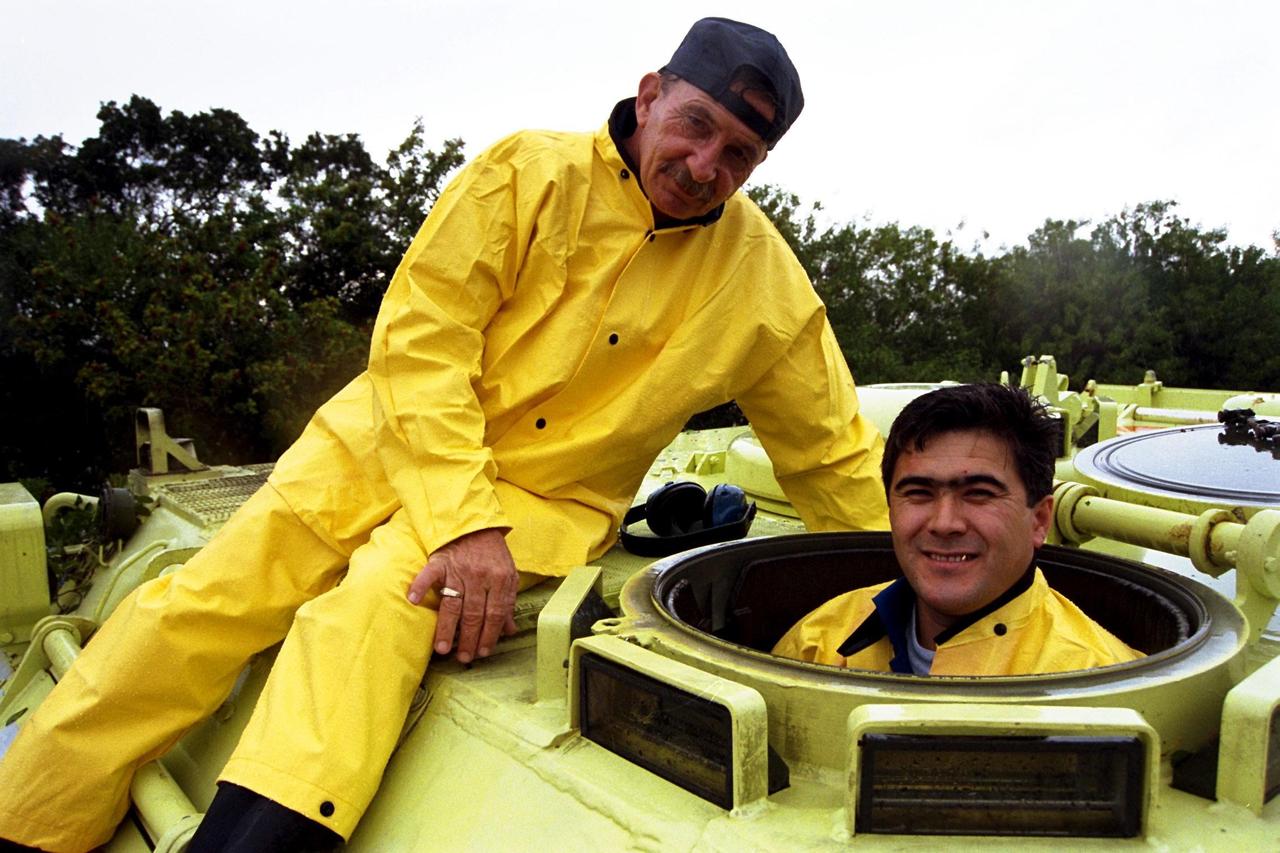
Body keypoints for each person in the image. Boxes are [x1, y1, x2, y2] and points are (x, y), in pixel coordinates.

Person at [0, 18, 889, 851]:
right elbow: (424, 338)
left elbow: (830, 451)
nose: (704, 165)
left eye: (740, 154)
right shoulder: (525, 174)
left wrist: (913, 587)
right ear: (650, 94)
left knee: (376, 608)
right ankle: (26, 823)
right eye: (695, 126)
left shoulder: (767, 285)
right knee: (196, 606)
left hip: (542, 500)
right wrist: (462, 520)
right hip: (375, 448)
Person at [773, 383, 1144, 675]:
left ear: (1039, 520)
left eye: (979, 494)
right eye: (918, 493)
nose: (945, 523)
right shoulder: (818, 641)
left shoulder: (1100, 682)